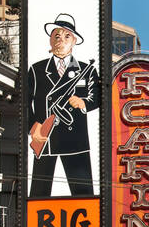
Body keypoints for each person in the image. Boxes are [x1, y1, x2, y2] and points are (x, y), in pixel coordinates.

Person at [26, 13, 100, 197]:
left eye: (67, 36)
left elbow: (98, 97)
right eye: (56, 36)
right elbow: (25, 102)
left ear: (74, 41)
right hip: (45, 137)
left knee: (83, 194)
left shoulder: (86, 69)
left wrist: (84, 102)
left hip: (75, 138)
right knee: (38, 195)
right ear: (50, 40)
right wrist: (33, 127)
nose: (61, 40)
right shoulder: (37, 69)